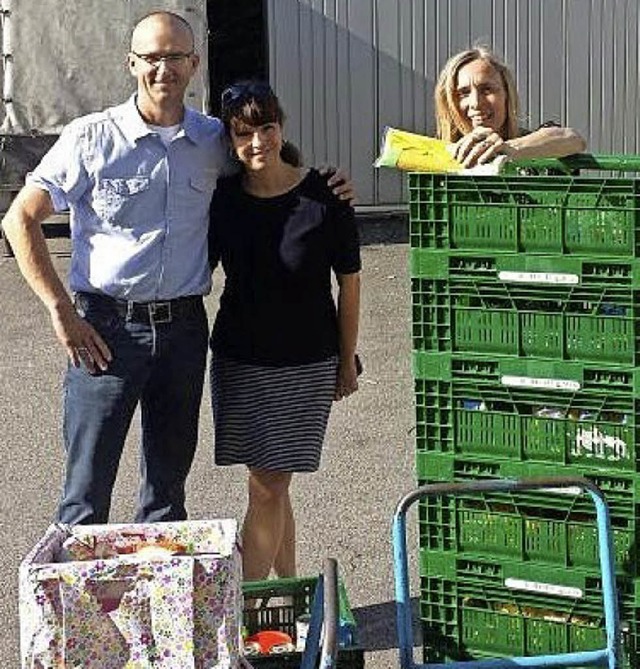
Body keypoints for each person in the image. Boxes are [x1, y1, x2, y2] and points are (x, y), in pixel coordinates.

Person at [1, 11, 353, 526]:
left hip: (184, 331)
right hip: (104, 329)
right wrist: (61, 311)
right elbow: (20, 219)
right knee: (86, 489)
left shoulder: (213, 141)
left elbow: (266, 160)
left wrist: (325, 183)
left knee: (166, 491)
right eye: (151, 57)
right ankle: (86, 607)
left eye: (174, 57)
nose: (163, 68)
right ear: (132, 63)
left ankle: (156, 605)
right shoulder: (90, 139)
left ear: (193, 64)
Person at [208, 81, 361, 580]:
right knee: (271, 485)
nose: (257, 143)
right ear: (231, 141)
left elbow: (351, 285)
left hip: (306, 363)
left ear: (281, 128)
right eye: (243, 133)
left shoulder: (325, 196)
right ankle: (291, 592)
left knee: (268, 486)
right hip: (240, 361)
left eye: (266, 129)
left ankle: (245, 611)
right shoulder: (223, 201)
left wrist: (346, 358)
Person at [434, 46, 586, 168]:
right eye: (463, 93)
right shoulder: (437, 155)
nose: (476, 103)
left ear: (507, 94)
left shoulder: (530, 141)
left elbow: (573, 139)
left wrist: (507, 149)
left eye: (487, 89)